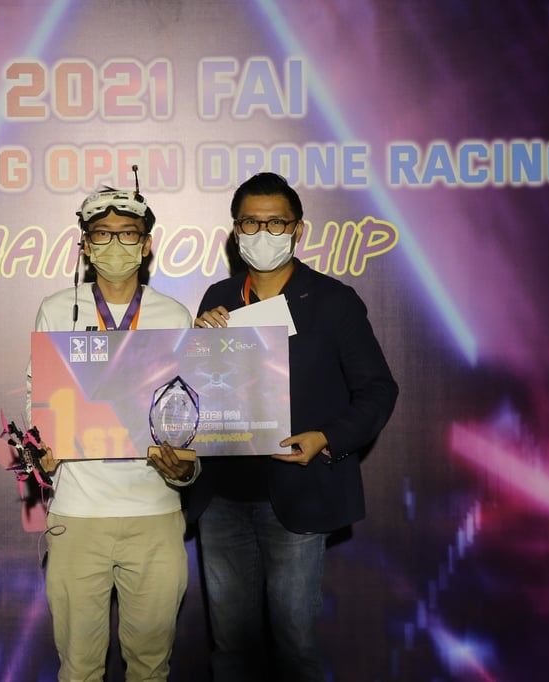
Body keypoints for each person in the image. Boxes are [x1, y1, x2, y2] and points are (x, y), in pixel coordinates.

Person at [188, 172, 399, 682]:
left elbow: (378, 390)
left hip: (298, 495)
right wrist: (196, 344)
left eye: (276, 222)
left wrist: (326, 437)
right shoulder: (218, 297)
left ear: (298, 229)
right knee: (230, 647)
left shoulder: (333, 301)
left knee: (294, 645)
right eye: (250, 223)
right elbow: (199, 393)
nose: (263, 233)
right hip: (222, 500)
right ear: (235, 231)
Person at [27, 173, 199, 682]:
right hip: (78, 513)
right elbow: (38, 405)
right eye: (102, 234)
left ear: (146, 245)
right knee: (79, 669)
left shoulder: (173, 315)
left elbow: (192, 416)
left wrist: (185, 469)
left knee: (151, 667)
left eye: (128, 234)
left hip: (155, 513)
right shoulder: (55, 310)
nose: (115, 244)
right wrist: (41, 451)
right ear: (85, 244)